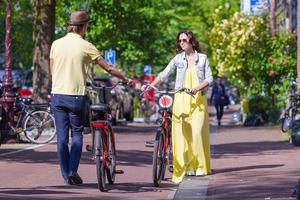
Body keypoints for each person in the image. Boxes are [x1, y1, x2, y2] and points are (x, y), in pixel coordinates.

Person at [49, 10, 129, 185]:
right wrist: (124, 78)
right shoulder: (86, 45)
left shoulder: (56, 44)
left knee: (61, 138)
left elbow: (52, 68)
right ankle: (72, 171)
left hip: (57, 94)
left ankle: (66, 175)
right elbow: (107, 67)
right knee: (77, 134)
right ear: (84, 26)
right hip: (76, 96)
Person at [141, 30, 213, 183]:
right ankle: (188, 166)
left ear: (192, 41)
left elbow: (210, 78)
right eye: (180, 41)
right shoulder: (177, 59)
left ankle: (200, 166)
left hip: (198, 99)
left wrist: (197, 88)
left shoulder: (203, 58)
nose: (181, 43)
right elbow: (164, 74)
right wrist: (150, 86)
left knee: (197, 132)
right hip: (181, 99)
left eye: (184, 40)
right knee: (183, 134)